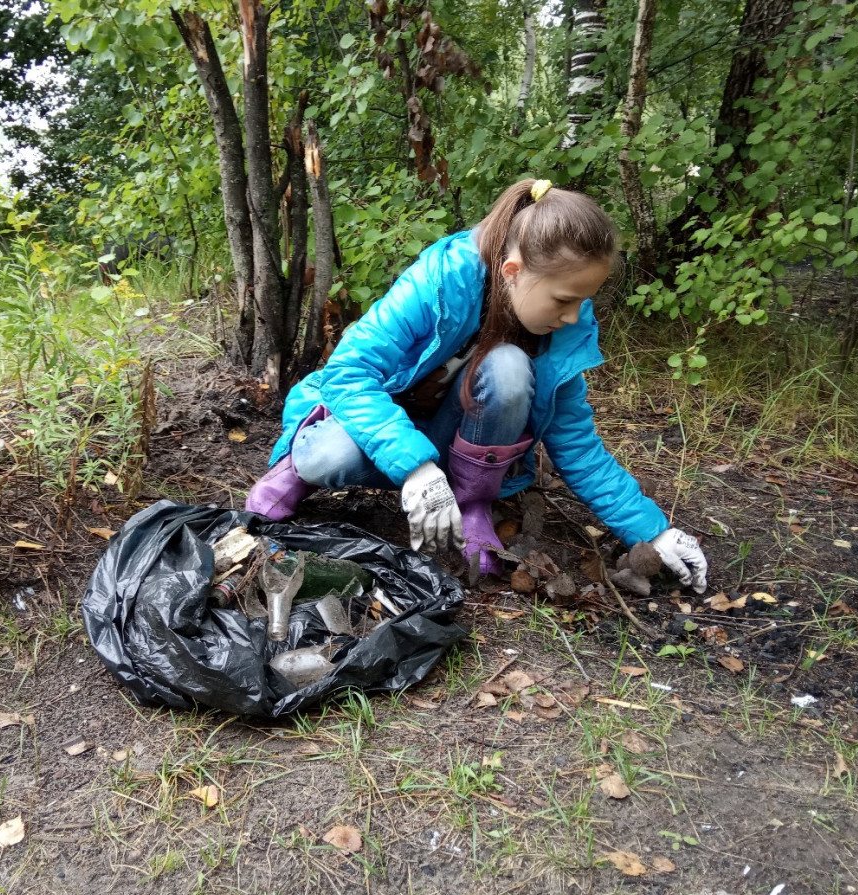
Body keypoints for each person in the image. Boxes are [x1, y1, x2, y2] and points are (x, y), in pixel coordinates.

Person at [245, 179, 708, 591]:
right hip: (380, 424)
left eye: (583, 302)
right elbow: (349, 374)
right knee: (326, 457)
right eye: (564, 301)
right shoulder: (440, 279)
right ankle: (294, 471)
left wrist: (652, 530)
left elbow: (577, 445)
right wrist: (416, 470)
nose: (574, 317)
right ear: (513, 271)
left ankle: (472, 505)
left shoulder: (566, 325)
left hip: (460, 438)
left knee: (508, 366)